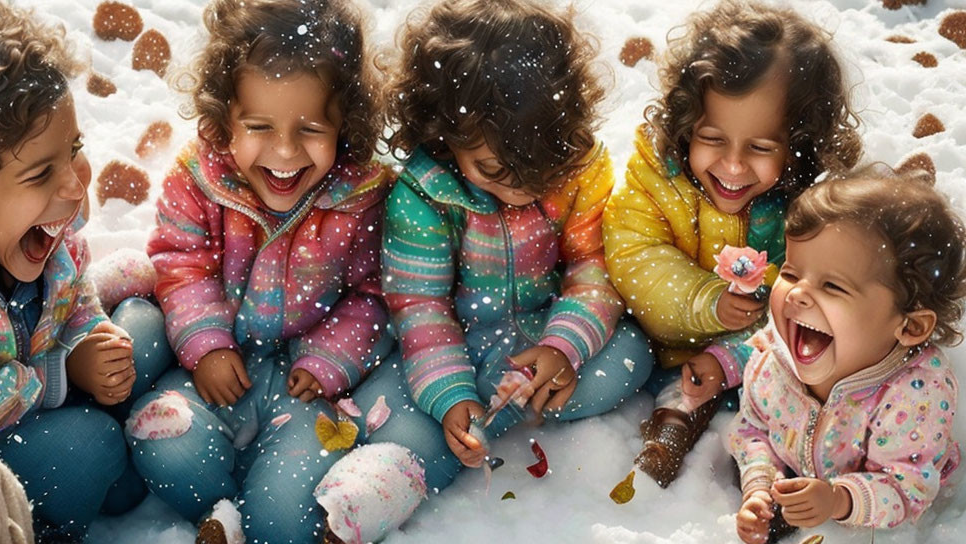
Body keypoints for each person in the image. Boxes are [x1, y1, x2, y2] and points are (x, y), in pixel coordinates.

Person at [359, 0, 653, 520]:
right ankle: (430, 439)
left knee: (629, 356)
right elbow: (420, 303)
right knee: (415, 410)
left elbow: (593, 267)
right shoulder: (425, 195)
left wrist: (563, 346)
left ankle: (486, 414)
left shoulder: (578, 171)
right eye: (494, 167)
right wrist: (450, 390)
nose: (520, 184)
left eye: (538, 164)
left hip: (545, 326)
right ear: (446, 136)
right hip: (459, 339)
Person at [121, 0, 393, 541]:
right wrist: (206, 343)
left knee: (283, 521)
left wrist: (330, 358)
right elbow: (181, 263)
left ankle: (268, 499)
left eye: (312, 128)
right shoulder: (196, 179)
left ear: (346, 123)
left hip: (307, 387)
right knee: (160, 436)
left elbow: (376, 292)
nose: (286, 150)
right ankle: (219, 510)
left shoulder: (363, 195)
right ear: (225, 120)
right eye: (260, 125)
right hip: (217, 374)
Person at [0, 0, 169, 538]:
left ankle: (116, 458)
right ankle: (43, 521)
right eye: (39, 173)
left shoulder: (40, 224)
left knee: (140, 330)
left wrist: (91, 336)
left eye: (73, 149)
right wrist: (65, 375)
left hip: (39, 380)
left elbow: (74, 291)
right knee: (91, 449)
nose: (75, 185)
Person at [602, 0, 861, 486]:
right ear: (686, 126)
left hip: (760, 351)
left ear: (798, 145)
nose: (734, 166)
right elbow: (634, 256)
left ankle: (774, 474)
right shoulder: (657, 177)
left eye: (761, 148)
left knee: (796, 376)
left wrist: (733, 357)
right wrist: (707, 302)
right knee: (625, 360)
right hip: (662, 335)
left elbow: (811, 305)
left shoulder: (809, 208)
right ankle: (675, 418)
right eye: (712, 138)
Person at [729, 168, 965, 543]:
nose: (797, 294)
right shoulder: (779, 355)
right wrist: (760, 485)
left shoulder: (916, 392)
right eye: (791, 272)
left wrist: (840, 499)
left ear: (910, 327)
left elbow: (907, 488)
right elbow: (753, 428)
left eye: (833, 285)